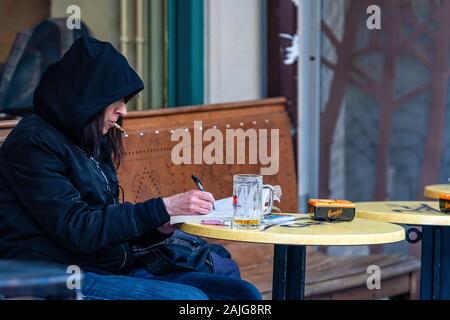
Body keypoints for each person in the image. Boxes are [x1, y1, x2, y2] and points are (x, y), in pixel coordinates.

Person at [0, 37, 262, 300]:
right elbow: (79, 229)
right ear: (87, 98)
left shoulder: (87, 138)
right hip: (59, 276)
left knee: (241, 295)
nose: (123, 110)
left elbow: (106, 221)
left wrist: (158, 226)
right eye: (116, 100)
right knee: (191, 301)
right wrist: (163, 208)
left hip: (110, 266)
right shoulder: (34, 144)